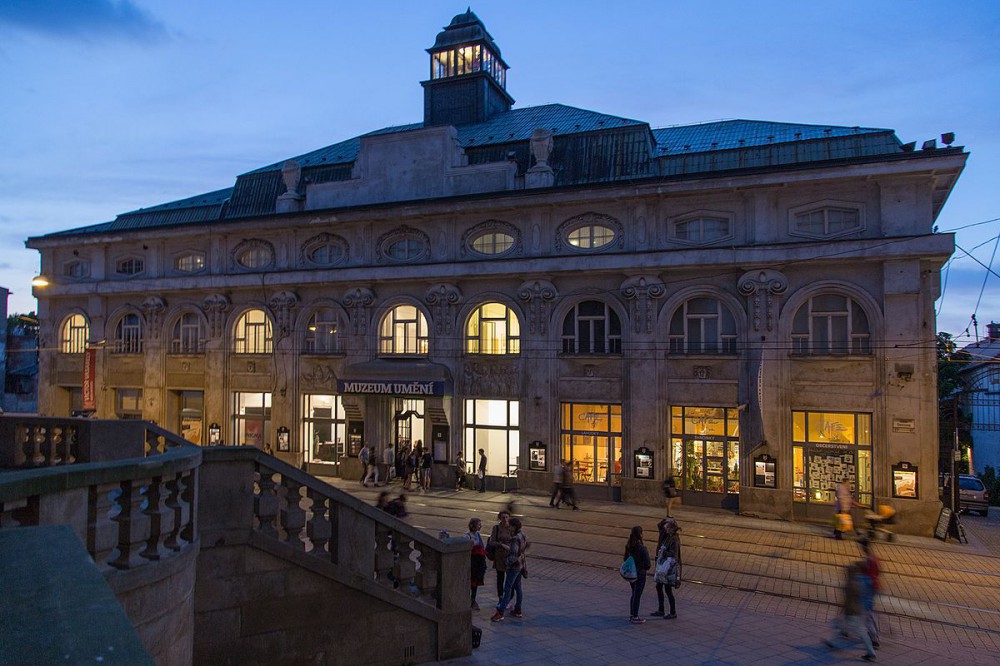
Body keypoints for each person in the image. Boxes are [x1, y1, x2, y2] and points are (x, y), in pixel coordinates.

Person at [824, 561, 877, 661]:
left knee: (861, 632)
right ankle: (832, 642)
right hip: (855, 610)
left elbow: (847, 600)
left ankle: (871, 653)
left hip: (852, 612)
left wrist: (841, 610)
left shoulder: (851, 584)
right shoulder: (858, 582)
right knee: (841, 626)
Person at [491, 517, 528, 622]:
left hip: (513, 566)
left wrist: (506, 562)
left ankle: (500, 612)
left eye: (510, 526)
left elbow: (514, 555)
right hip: (520, 565)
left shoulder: (515, 539)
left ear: (514, 527)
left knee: (507, 589)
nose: (508, 527)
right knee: (518, 587)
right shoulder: (522, 535)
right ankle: (518, 609)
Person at [651, 517, 681, 619]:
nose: (665, 528)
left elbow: (674, 554)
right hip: (662, 566)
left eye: (668, 527)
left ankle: (673, 612)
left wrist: (664, 553)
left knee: (668, 590)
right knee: (659, 587)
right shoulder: (665, 535)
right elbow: (659, 525)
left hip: (668, 568)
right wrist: (667, 519)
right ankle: (661, 610)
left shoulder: (674, 539)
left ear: (672, 529)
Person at [624, 525, 651, 624]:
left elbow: (625, 559)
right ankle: (635, 616)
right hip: (640, 574)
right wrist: (641, 566)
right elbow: (648, 564)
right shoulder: (642, 548)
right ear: (640, 534)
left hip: (631, 574)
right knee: (637, 595)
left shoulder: (629, 546)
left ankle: (632, 614)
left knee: (634, 593)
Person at [486, 510, 514, 601]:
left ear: (509, 517)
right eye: (503, 517)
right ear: (500, 518)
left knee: (510, 578)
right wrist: (501, 544)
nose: (505, 519)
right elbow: (492, 542)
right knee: (500, 577)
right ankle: (501, 597)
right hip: (499, 556)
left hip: (510, 556)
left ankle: (509, 596)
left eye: (506, 517)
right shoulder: (496, 528)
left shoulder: (512, 528)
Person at [859, 538, 881, 648]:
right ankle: (874, 633)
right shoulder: (874, 557)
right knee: (869, 613)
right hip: (874, 587)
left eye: (862, 546)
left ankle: (874, 639)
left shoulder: (869, 559)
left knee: (867, 614)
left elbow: (869, 577)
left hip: (869, 588)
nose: (860, 548)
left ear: (864, 547)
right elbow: (878, 572)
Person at [466, 517, 488, 610]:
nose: (480, 526)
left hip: (479, 562)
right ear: (473, 526)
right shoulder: (467, 536)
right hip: (472, 561)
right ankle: (468, 599)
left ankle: (473, 599)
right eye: (478, 525)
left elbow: (482, 546)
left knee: (476, 581)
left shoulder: (478, 535)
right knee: (470, 581)